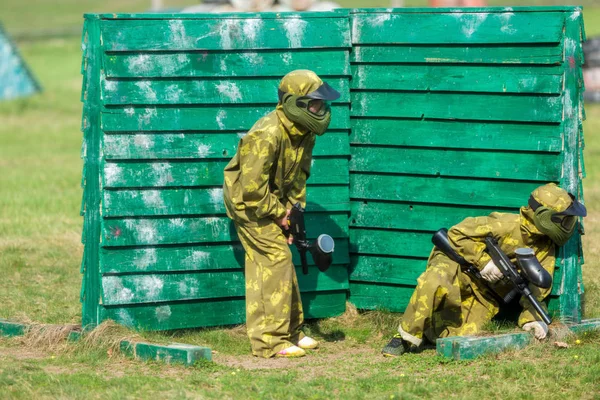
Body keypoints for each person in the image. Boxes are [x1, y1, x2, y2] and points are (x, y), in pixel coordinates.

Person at [382, 183, 587, 357]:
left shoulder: (543, 247)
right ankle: (404, 337)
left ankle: (427, 333)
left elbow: (535, 289)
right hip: (457, 267)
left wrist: (532, 320)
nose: (569, 225)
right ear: (544, 216)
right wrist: (484, 261)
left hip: (484, 291)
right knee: (435, 280)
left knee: (461, 334)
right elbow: (456, 234)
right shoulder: (505, 225)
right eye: (564, 219)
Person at [223, 70, 340, 358]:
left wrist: (294, 215)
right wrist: (280, 215)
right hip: (248, 204)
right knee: (275, 259)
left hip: (272, 200)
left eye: (322, 105)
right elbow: (251, 189)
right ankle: (269, 341)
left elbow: (299, 178)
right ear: (294, 103)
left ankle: (291, 331)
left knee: (285, 259)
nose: (321, 111)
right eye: (315, 105)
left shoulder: (304, 132)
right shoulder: (267, 133)